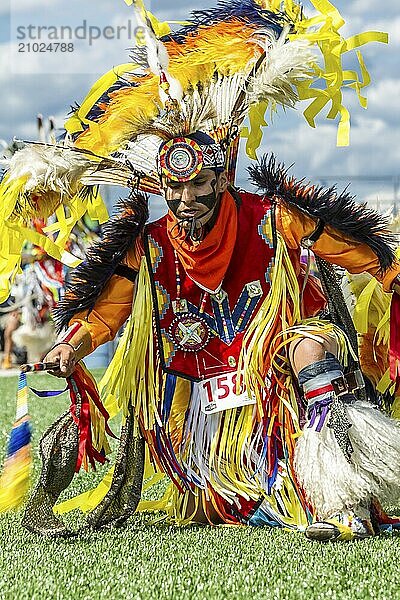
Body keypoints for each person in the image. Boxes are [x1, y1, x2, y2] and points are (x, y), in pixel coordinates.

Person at [1, 1, 399, 540]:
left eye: (199, 185)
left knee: (310, 347)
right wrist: (72, 345)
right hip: (198, 412)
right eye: (175, 189)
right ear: (160, 188)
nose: (186, 200)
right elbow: (110, 308)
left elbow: (361, 252)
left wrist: (390, 272)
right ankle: (253, 489)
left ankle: (343, 495)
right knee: (227, 495)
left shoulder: (272, 220)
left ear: (221, 176)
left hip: (276, 387)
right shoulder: (153, 247)